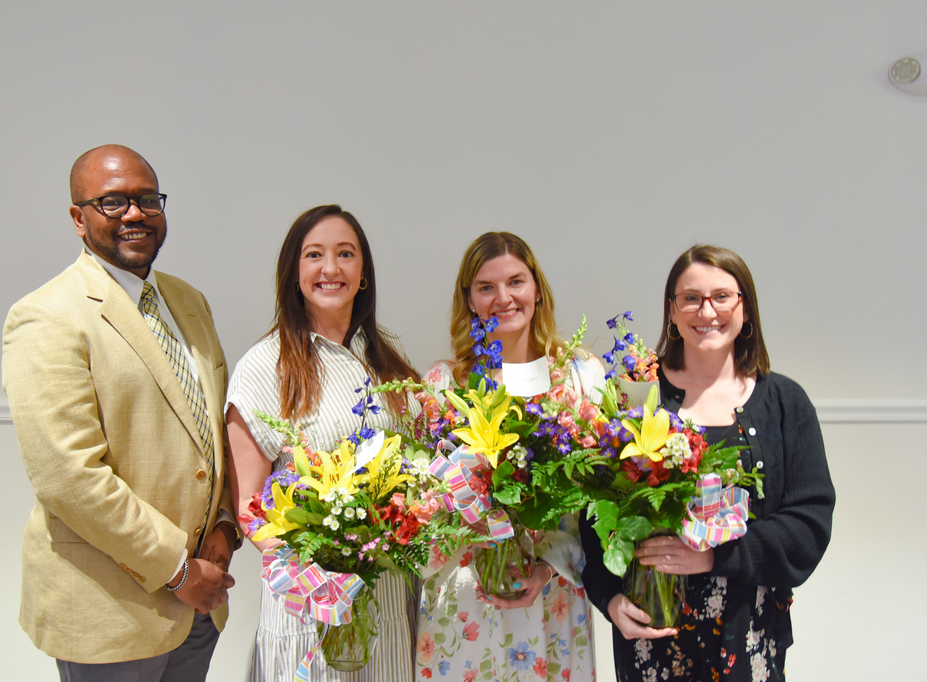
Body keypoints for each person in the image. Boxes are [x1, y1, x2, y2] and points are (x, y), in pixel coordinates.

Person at [2, 144, 238, 682]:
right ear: (77, 219)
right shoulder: (46, 317)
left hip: (201, 602)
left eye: (147, 199)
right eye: (112, 201)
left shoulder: (189, 301)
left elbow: (212, 432)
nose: (134, 213)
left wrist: (224, 525)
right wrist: (178, 571)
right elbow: (68, 477)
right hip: (110, 610)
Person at [580, 245, 835, 681]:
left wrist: (715, 557)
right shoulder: (632, 397)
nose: (707, 311)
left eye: (722, 296)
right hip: (651, 635)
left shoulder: (784, 403)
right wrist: (609, 599)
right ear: (673, 312)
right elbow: (593, 518)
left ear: (745, 308)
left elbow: (809, 526)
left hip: (749, 633)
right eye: (691, 298)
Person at [225, 204, 421, 681]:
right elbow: (249, 505)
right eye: (314, 255)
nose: (330, 269)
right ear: (294, 273)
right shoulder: (263, 365)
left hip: (392, 598)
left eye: (345, 254)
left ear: (363, 274)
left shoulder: (388, 361)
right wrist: (321, 575)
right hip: (310, 610)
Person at [416, 232, 600, 682]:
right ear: (469, 299)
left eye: (516, 282)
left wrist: (549, 564)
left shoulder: (578, 376)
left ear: (537, 289)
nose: (504, 298)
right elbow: (422, 500)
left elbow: (598, 497)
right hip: (466, 597)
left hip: (551, 597)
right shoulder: (443, 384)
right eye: (486, 287)